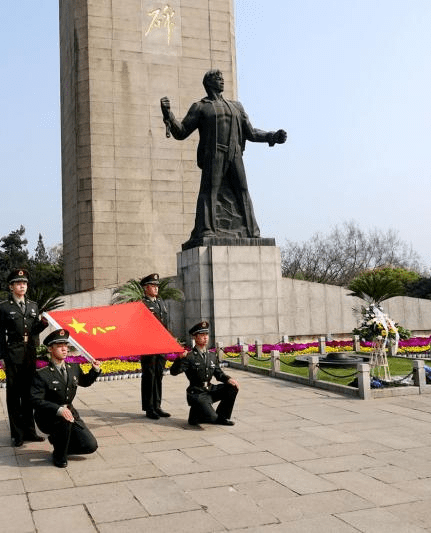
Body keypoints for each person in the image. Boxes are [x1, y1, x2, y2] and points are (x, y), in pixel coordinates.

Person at [161, 69, 286, 243]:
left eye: (222, 78)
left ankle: (252, 232)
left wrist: (271, 136)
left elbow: (250, 132)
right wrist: (169, 115)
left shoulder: (236, 106)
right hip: (214, 153)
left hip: (234, 153)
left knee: (242, 191)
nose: (221, 80)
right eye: (217, 78)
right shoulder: (200, 106)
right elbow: (181, 132)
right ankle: (207, 231)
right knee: (209, 192)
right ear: (208, 83)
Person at [31, 329, 101, 468]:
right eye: (59, 346)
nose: (64, 349)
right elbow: (35, 400)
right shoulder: (42, 374)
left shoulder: (73, 368)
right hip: (48, 415)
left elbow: (85, 382)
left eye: (66, 346)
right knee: (64, 420)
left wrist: (95, 370)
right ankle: (59, 455)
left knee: (90, 446)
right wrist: (58, 409)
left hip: (69, 411)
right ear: (50, 349)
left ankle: (61, 447)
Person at [0, 268, 48, 447]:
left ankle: (30, 432)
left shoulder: (33, 306)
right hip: (13, 355)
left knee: (29, 395)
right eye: (18, 283)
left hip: (29, 355)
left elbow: (33, 331)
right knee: (14, 396)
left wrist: (43, 324)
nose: (22, 286)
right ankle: (17, 434)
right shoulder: (3, 307)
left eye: (24, 283)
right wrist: (1, 356)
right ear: (11, 287)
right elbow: (0, 334)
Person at [170, 321, 239, 426]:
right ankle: (196, 414)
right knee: (212, 418)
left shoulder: (211, 355)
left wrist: (228, 379)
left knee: (232, 387)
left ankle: (222, 417)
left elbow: (218, 373)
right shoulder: (189, 356)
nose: (205, 337)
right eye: (202, 335)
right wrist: (179, 360)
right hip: (197, 392)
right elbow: (173, 372)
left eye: (206, 334)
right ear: (195, 337)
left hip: (209, 390)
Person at [139, 273, 171, 420]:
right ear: (146, 288)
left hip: (161, 345)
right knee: (149, 376)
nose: (156, 288)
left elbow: (166, 324)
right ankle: (149, 407)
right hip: (148, 346)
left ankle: (157, 406)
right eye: (153, 286)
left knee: (158, 374)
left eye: (157, 286)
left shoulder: (161, 303)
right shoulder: (142, 304)